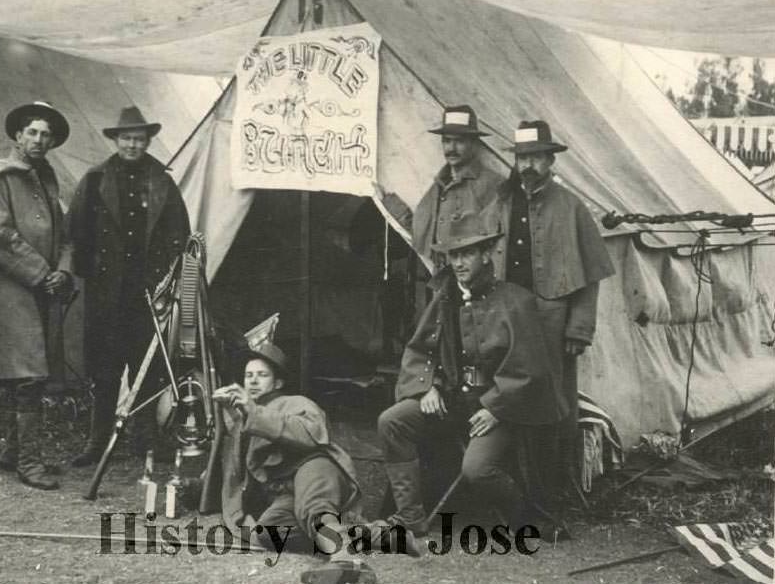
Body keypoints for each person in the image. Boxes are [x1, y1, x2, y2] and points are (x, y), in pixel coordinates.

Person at [376, 211, 566, 536]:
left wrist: (495, 408)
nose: (459, 262)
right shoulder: (444, 298)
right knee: (392, 421)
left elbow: (532, 369)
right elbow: (421, 349)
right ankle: (410, 518)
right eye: (454, 255)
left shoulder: (515, 302)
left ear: (486, 254)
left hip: (500, 411)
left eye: (467, 253)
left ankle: (525, 519)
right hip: (452, 402)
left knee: (477, 469)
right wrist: (427, 387)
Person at [215, 342, 412, 584]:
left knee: (315, 508)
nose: (253, 381)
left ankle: (346, 560)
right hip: (288, 492)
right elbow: (237, 475)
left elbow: (310, 434)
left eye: (262, 375)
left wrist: (253, 412)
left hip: (315, 468)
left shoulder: (296, 402)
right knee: (269, 532)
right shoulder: (244, 418)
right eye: (249, 376)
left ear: (278, 383)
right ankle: (381, 536)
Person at [488, 120, 615, 480]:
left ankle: (552, 483)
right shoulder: (502, 200)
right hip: (508, 315)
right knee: (504, 391)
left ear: (550, 160)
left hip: (551, 320)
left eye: (535, 158)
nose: (527, 166)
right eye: (521, 158)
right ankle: (507, 475)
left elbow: (591, 275)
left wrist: (579, 328)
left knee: (552, 400)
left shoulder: (571, 206)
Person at [0, 101, 73, 491]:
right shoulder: (0, 178)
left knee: (24, 373)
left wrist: (63, 271)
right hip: (13, 290)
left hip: (43, 289)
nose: (40, 140)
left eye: (46, 135)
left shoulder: (45, 179)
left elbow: (63, 232)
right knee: (25, 377)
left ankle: (13, 452)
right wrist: (42, 274)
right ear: (18, 135)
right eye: (33, 133)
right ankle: (28, 462)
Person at [67, 106, 190, 467]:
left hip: (147, 294)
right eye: (126, 139)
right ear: (116, 140)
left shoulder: (161, 181)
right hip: (106, 292)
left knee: (147, 368)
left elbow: (178, 235)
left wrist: (165, 281)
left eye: (139, 139)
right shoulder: (95, 179)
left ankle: (145, 439)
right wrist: (91, 274)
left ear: (148, 141)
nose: (132, 145)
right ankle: (97, 440)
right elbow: (76, 232)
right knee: (104, 369)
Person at [378, 105, 504, 264]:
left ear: (473, 143)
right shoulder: (440, 185)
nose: (451, 149)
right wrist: (387, 203)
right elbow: (420, 231)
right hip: (443, 280)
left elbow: (498, 245)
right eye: (447, 141)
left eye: (459, 142)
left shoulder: (492, 184)